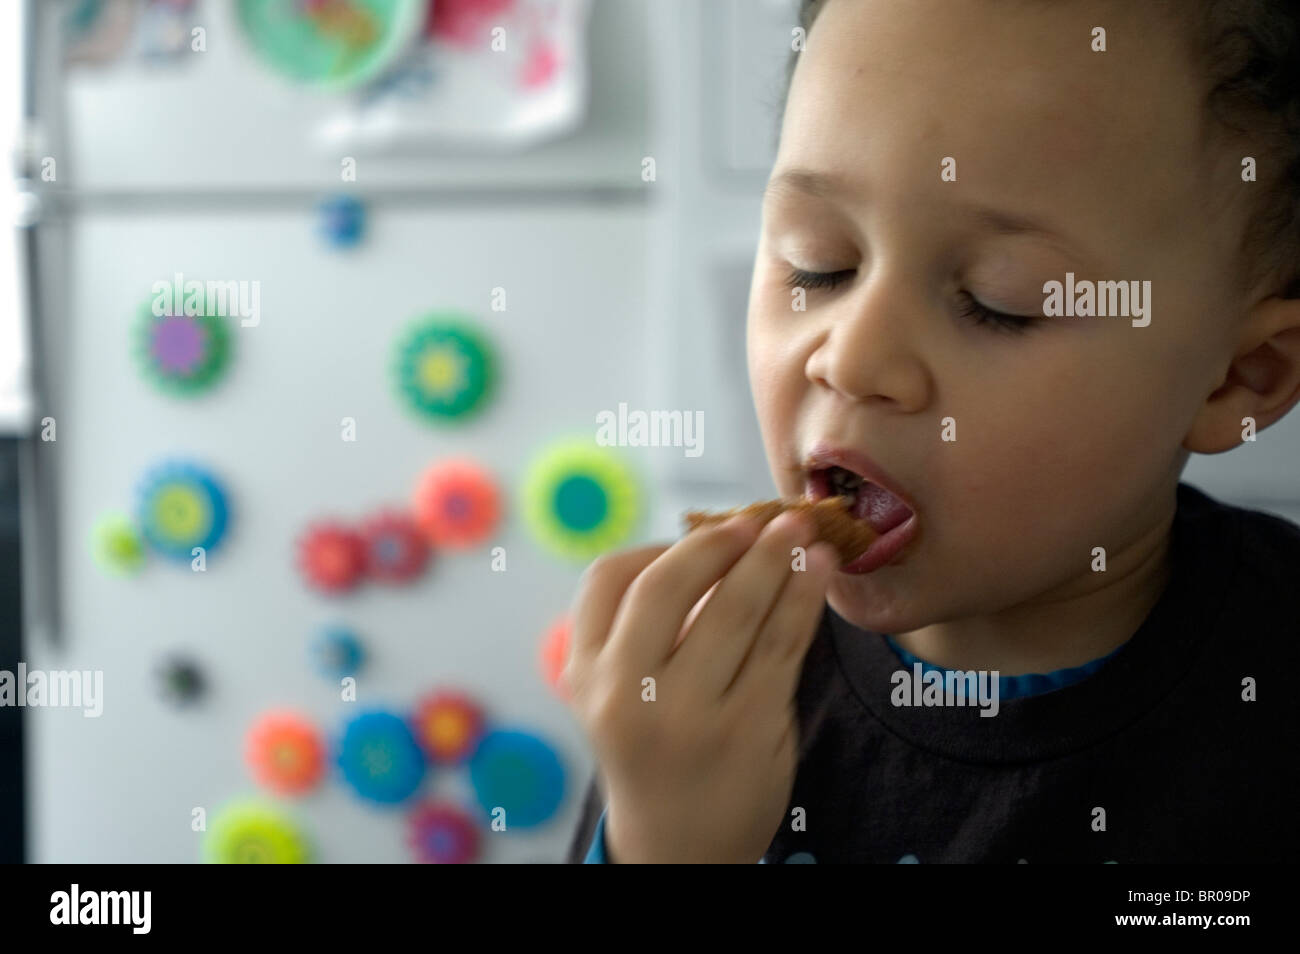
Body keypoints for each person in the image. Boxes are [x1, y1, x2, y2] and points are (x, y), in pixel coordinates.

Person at [565, 0, 1300, 863]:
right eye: (819, 262)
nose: (852, 359)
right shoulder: (711, 687)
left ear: (1237, 378)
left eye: (1001, 302)